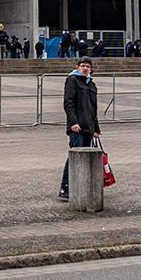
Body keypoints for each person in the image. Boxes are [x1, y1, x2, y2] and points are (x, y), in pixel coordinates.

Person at [59, 57, 99, 201]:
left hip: (88, 127)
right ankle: (66, 187)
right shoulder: (72, 80)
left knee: (84, 158)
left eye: (87, 66)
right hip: (77, 127)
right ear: (77, 67)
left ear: (91, 69)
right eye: (82, 66)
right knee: (75, 157)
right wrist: (73, 123)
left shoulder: (91, 85)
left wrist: (96, 128)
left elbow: (93, 109)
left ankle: (80, 186)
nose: (85, 68)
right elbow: (68, 103)